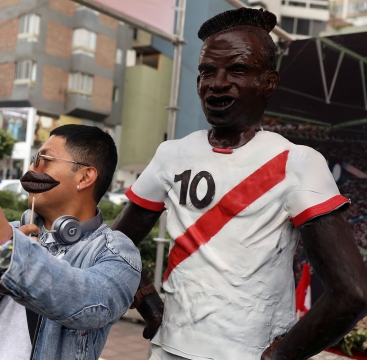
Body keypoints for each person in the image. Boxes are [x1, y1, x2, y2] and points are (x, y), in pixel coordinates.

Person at [112, 8, 367, 360]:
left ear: (269, 82)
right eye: (206, 71)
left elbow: (353, 292)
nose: (217, 83)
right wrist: (149, 303)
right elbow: (114, 247)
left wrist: (282, 355)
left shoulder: (298, 162)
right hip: (167, 349)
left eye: (238, 69)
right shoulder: (172, 154)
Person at [0, 125, 141, 359]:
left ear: (85, 177)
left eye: (44, 159)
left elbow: (86, 303)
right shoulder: (10, 233)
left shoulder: (116, 252)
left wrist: (8, 251)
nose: (31, 169)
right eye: (34, 159)